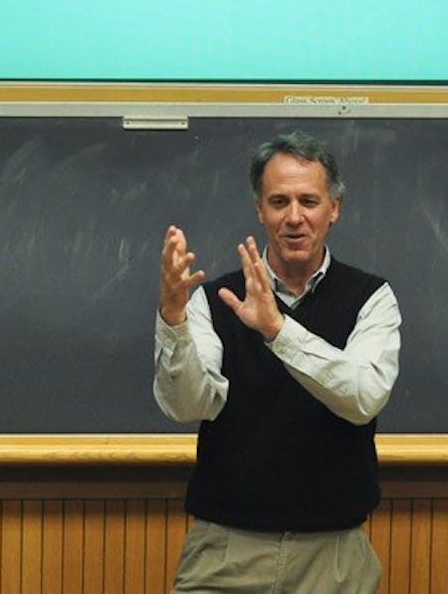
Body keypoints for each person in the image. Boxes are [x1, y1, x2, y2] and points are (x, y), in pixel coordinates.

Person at [154, 130, 401, 594]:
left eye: (309, 201)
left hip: (333, 557)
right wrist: (173, 319)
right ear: (259, 210)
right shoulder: (214, 299)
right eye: (278, 201)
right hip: (225, 553)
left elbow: (363, 397)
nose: (294, 217)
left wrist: (278, 330)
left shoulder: (372, 298)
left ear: (334, 208)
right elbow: (189, 405)